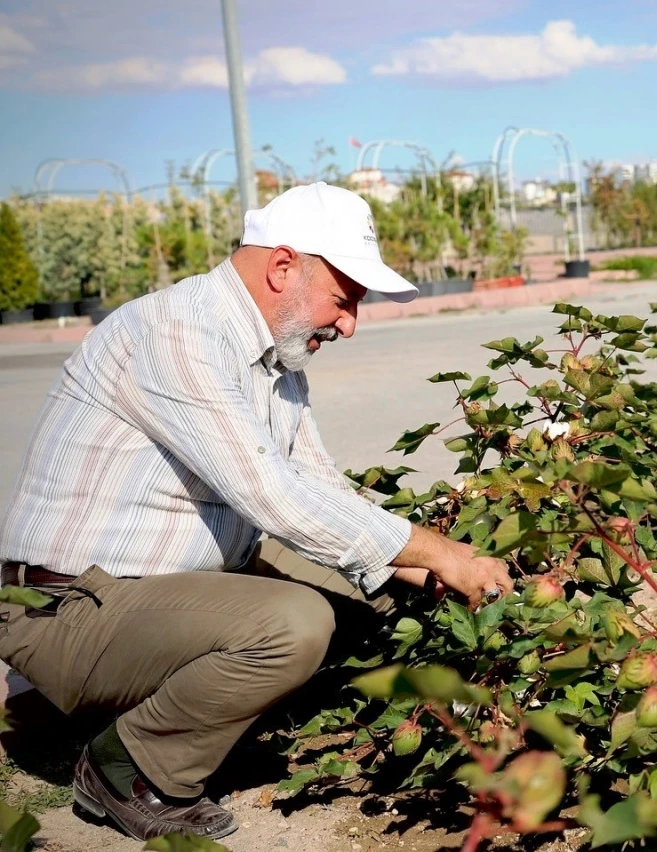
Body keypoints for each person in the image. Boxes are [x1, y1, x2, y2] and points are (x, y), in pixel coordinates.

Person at [0, 183, 513, 841]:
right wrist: (439, 551)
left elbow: (324, 489)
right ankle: (131, 769)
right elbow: (274, 496)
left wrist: (436, 572)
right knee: (294, 625)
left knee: (362, 614)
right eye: (345, 298)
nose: (350, 323)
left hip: (155, 596)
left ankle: (211, 715)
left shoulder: (276, 362)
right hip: (68, 609)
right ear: (281, 268)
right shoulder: (177, 332)